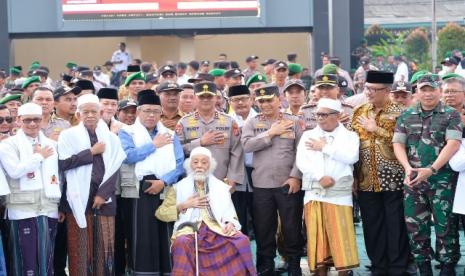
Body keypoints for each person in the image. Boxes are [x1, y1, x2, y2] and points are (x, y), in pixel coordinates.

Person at [393, 74, 462, 276]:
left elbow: (453, 144)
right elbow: (398, 143)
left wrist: (431, 169)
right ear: (417, 91)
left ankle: (447, 266)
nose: (428, 93)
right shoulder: (406, 115)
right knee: (415, 227)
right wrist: (407, 167)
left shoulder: (451, 115)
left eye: (432, 89)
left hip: (443, 181)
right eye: (423, 89)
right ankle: (423, 266)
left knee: (446, 226)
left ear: (439, 91)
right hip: (413, 181)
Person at [155, 146, 256, 275]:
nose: (199, 166)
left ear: (210, 165)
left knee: (242, 240)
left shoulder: (221, 187)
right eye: (195, 162)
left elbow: (230, 214)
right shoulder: (178, 187)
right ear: (189, 165)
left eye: (204, 162)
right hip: (190, 229)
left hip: (216, 228)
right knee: (181, 243)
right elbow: (160, 213)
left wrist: (230, 223)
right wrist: (183, 205)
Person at [57, 94, 126, 276]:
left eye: (93, 111)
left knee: (105, 251)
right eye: (85, 112)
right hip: (77, 199)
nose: (89, 115)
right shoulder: (68, 136)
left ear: (101, 113)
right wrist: (91, 152)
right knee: (80, 251)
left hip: (104, 199)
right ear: (78, 115)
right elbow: (63, 163)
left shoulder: (111, 139)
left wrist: (103, 194)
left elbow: (114, 168)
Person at [118, 89, 184, 275]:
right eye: (146, 111)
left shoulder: (169, 134)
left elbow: (179, 165)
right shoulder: (127, 132)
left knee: (165, 231)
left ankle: (167, 270)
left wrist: (163, 181)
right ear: (138, 112)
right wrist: (153, 145)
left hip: (164, 186)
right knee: (141, 234)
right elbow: (128, 156)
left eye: (155, 111)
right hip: (138, 189)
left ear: (160, 112)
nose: (151, 115)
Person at [351, 70, 409, 276]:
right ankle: (378, 265)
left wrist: (376, 129)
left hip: (394, 179)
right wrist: (352, 176)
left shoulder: (401, 113)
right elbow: (351, 145)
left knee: (395, 225)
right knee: (372, 225)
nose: (369, 93)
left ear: (387, 91)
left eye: (374, 90)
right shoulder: (359, 112)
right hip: (366, 179)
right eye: (367, 89)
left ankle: (397, 266)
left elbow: (404, 144)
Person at [241, 84, 304, 275]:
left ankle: (294, 264)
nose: (265, 104)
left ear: (279, 99)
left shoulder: (293, 121)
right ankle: (265, 265)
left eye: (269, 100)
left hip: (288, 182)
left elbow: (301, 152)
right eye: (261, 101)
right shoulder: (252, 123)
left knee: (291, 226)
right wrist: (270, 133)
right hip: (262, 184)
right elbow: (246, 146)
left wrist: (295, 176)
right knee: (263, 227)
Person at [296, 98, 360, 275]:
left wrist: (325, 147)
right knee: (317, 240)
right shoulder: (309, 135)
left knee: (341, 239)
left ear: (337, 116)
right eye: (318, 114)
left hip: (340, 195)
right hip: (314, 193)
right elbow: (302, 161)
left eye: (324, 115)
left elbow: (351, 157)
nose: (320, 118)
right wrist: (320, 177)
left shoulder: (350, 136)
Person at [0, 102, 62, 276]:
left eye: (36, 119)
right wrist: (38, 156)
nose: (33, 124)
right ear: (19, 120)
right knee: (23, 261)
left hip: (48, 208)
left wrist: (59, 203)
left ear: (42, 119)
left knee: (46, 261)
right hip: (21, 209)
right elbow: (15, 171)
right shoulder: (8, 145)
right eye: (27, 120)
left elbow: (59, 177)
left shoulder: (51, 144)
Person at [176, 82, 244, 192]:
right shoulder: (184, 122)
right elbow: (177, 151)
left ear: (216, 98)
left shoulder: (229, 121)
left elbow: (237, 152)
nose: (205, 99)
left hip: (222, 180)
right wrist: (200, 142)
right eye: (201, 96)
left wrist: (233, 178)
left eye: (209, 96)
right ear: (195, 98)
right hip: (193, 181)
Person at [228, 85, 257, 237]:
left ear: (252, 100)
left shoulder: (261, 118)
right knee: (237, 218)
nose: (240, 103)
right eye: (236, 100)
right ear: (230, 102)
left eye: (244, 99)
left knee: (261, 218)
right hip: (234, 173)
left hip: (257, 171)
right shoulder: (225, 121)